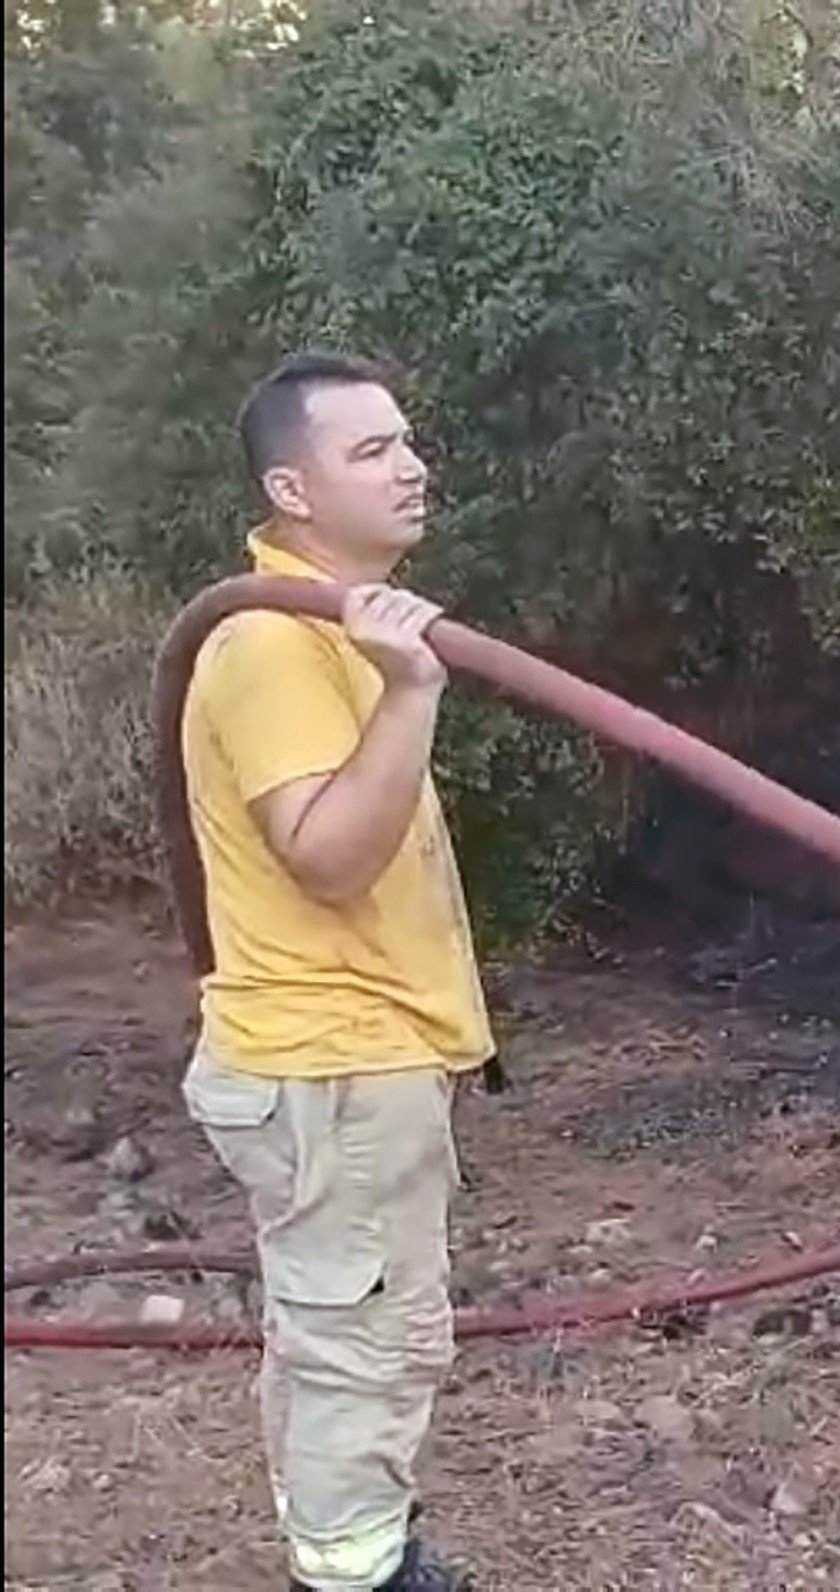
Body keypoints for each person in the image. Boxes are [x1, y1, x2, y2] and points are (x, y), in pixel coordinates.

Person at [178, 352, 489, 1592]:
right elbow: (328, 856)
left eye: (410, 441)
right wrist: (413, 692)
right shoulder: (268, 640)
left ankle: (353, 1543)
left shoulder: (329, 627)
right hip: (334, 1062)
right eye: (373, 450)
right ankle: (354, 1573)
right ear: (290, 489)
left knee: (337, 1333)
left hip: (352, 1058)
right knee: (364, 1341)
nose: (412, 466)